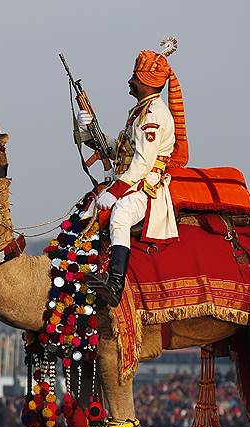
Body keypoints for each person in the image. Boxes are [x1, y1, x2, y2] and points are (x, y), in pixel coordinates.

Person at [78, 45, 188, 307]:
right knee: (87, 211)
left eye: (135, 78)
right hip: (128, 183)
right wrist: (88, 128)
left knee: (122, 213)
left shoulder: (154, 116)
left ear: (148, 84)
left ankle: (115, 283)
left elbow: (142, 163)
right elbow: (117, 149)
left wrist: (114, 193)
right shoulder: (139, 112)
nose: (130, 81)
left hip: (145, 189)